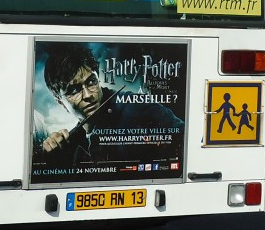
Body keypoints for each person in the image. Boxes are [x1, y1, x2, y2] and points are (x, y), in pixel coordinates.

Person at [37, 43, 183, 168]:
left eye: (91, 82)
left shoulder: (135, 106)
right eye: (74, 90)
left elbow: (184, 137)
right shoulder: (73, 141)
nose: (88, 95)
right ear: (60, 102)